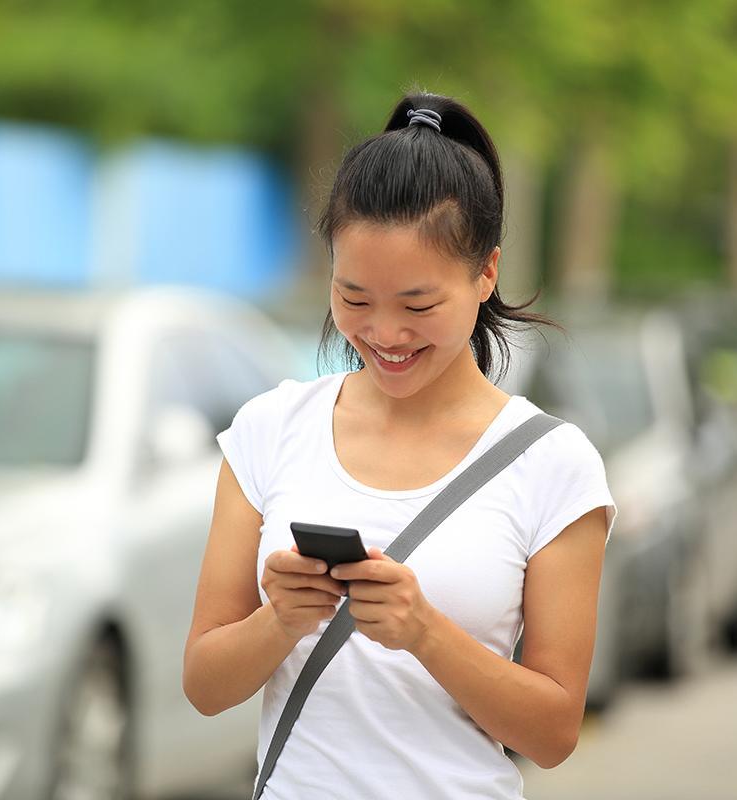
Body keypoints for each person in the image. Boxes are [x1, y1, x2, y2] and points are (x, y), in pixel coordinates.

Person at [183, 91, 617, 799]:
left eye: (418, 306)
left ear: (486, 273)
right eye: (354, 299)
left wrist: (423, 631)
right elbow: (203, 683)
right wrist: (281, 621)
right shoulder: (270, 430)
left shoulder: (553, 464)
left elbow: (554, 731)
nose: (385, 333)